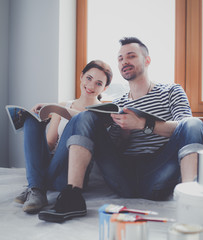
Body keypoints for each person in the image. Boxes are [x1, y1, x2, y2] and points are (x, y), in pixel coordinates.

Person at [38, 37, 203, 223]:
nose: (124, 61)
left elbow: (187, 130)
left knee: (193, 123)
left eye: (131, 56)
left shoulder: (171, 91)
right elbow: (113, 147)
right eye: (120, 58)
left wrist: (143, 124)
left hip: (159, 171)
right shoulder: (117, 104)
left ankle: (191, 199)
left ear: (147, 60)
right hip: (123, 175)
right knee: (84, 116)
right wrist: (124, 132)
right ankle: (73, 197)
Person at [14, 60, 113, 216]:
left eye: (99, 83)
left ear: (105, 88)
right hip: (54, 163)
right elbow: (50, 142)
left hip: (69, 176)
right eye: (88, 78)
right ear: (81, 77)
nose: (91, 86)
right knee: (30, 120)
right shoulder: (63, 104)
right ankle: (36, 186)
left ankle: (35, 186)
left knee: (76, 120)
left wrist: (57, 110)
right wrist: (36, 151)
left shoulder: (103, 112)